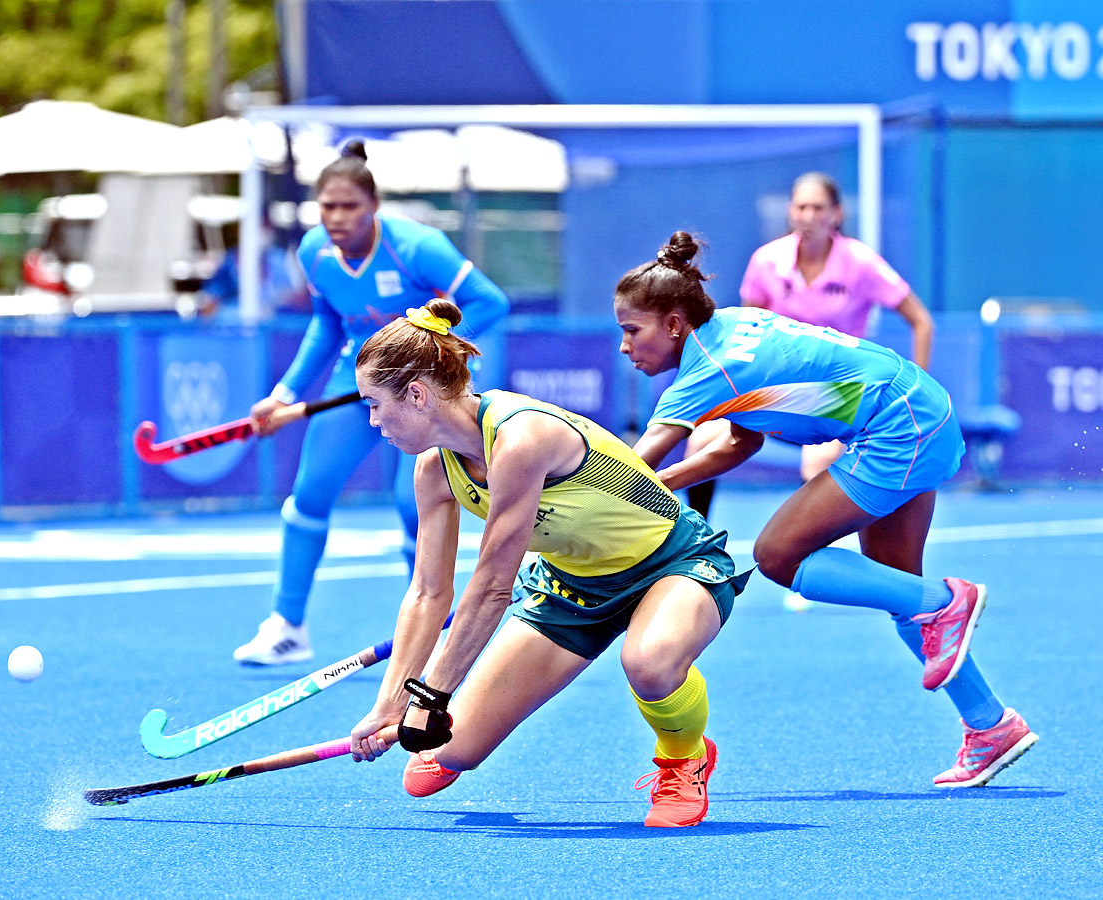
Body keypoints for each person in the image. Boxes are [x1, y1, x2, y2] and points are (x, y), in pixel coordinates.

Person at [614, 230, 1038, 789]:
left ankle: (948, 601)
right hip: (916, 408)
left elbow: (616, 471)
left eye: (631, 330)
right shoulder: (730, 330)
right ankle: (990, 725)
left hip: (895, 429)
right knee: (894, 586)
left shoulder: (702, 373)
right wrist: (664, 482)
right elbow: (743, 441)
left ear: (673, 324)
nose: (624, 347)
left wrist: (550, 494)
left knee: (778, 554)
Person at [347, 298, 750, 828]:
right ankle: (455, 737)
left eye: (375, 404)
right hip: (572, 586)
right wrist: (390, 703)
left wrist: (431, 695)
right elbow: (427, 594)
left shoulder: (521, 438)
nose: (374, 421)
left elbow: (493, 586)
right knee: (450, 754)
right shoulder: (434, 471)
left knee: (649, 663)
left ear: (417, 395)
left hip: (672, 563)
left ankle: (683, 755)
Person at [233, 141, 510, 665]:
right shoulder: (314, 251)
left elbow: (489, 303)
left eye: (349, 207)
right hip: (355, 376)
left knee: (417, 509)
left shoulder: (417, 246)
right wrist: (284, 394)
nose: (336, 218)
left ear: (374, 205)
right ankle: (287, 628)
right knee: (309, 495)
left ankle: (429, 640)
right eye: (327, 207)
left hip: (425, 386)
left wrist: (431, 351)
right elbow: (326, 324)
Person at [692, 172, 937, 610]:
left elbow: (921, 319)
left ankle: (805, 565)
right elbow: (746, 333)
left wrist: (918, 383)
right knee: (701, 438)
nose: (807, 216)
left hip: (846, 394)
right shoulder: (767, 261)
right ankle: (695, 556)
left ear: (837, 215)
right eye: (800, 207)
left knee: (819, 459)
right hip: (777, 391)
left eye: (818, 208)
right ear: (790, 213)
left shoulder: (860, 262)